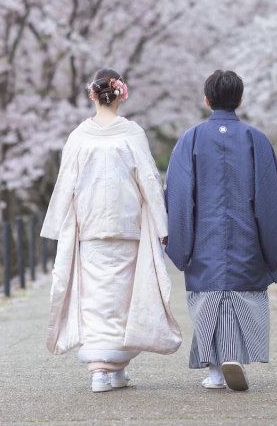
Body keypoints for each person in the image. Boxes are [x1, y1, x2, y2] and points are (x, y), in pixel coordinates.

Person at [41, 68, 182, 393]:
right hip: (126, 225)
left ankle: (103, 373)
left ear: (93, 95)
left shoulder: (80, 135)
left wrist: (56, 226)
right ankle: (111, 370)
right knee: (123, 300)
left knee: (95, 299)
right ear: (120, 93)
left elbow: (65, 184)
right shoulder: (132, 133)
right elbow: (149, 179)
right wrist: (162, 225)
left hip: (89, 227)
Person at [164, 70, 277, 391]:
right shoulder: (256, 139)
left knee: (209, 301)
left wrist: (179, 244)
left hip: (203, 240)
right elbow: (269, 200)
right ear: (240, 99)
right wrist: (271, 248)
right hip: (246, 239)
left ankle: (215, 371)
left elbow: (179, 197)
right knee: (240, 296)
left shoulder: (190, 139)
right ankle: (234, 356)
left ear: (206, 100)